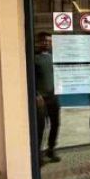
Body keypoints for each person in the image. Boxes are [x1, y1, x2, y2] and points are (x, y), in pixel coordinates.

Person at [34, 31, 61, 163]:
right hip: (41, 99)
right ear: (39, 42)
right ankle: (38, 155)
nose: (46, 43)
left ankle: (51, 149)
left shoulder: (53, 57)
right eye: (44, 41)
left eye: (49, 41)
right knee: (40, 127)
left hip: (53, 97)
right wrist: (36, 94)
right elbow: (30, 78)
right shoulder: (34, 58)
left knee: (55, 124)